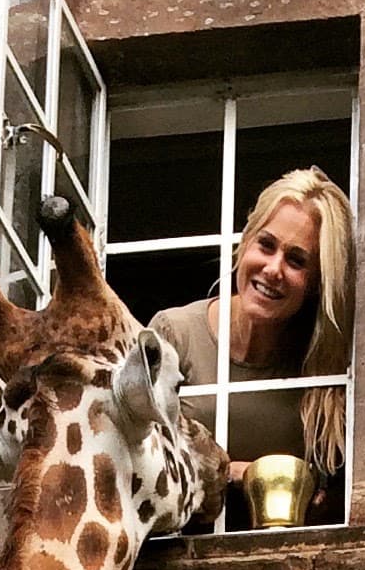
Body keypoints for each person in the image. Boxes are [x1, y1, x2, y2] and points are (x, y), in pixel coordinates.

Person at [149, 166, 352, 515]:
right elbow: (137, 456)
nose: (273, 269)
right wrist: (237, 473)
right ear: (244, 243)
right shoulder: (175, 334)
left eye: (296, 260)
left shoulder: (323, 368)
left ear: (316, 283)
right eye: (266, 245)